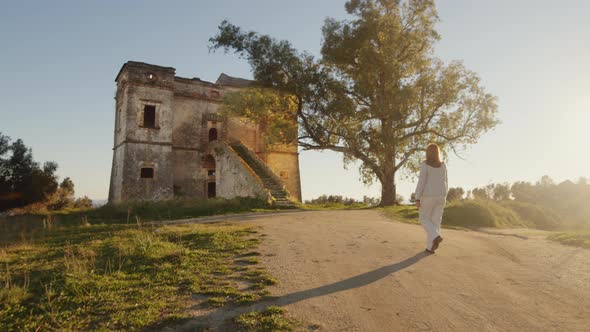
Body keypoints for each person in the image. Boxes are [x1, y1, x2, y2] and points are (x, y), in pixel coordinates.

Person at [414, 143, 448, 254]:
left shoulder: (425, 165)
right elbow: (446, 182)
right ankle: (430, 247)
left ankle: (436, 236)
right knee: (435, 222)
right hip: (441, 197)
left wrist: (417, 198)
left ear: (428, 153)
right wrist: (444, 195)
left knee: (423, 219)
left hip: (428, 196)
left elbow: (421, 182)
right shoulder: (443, 165)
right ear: (438, 153)